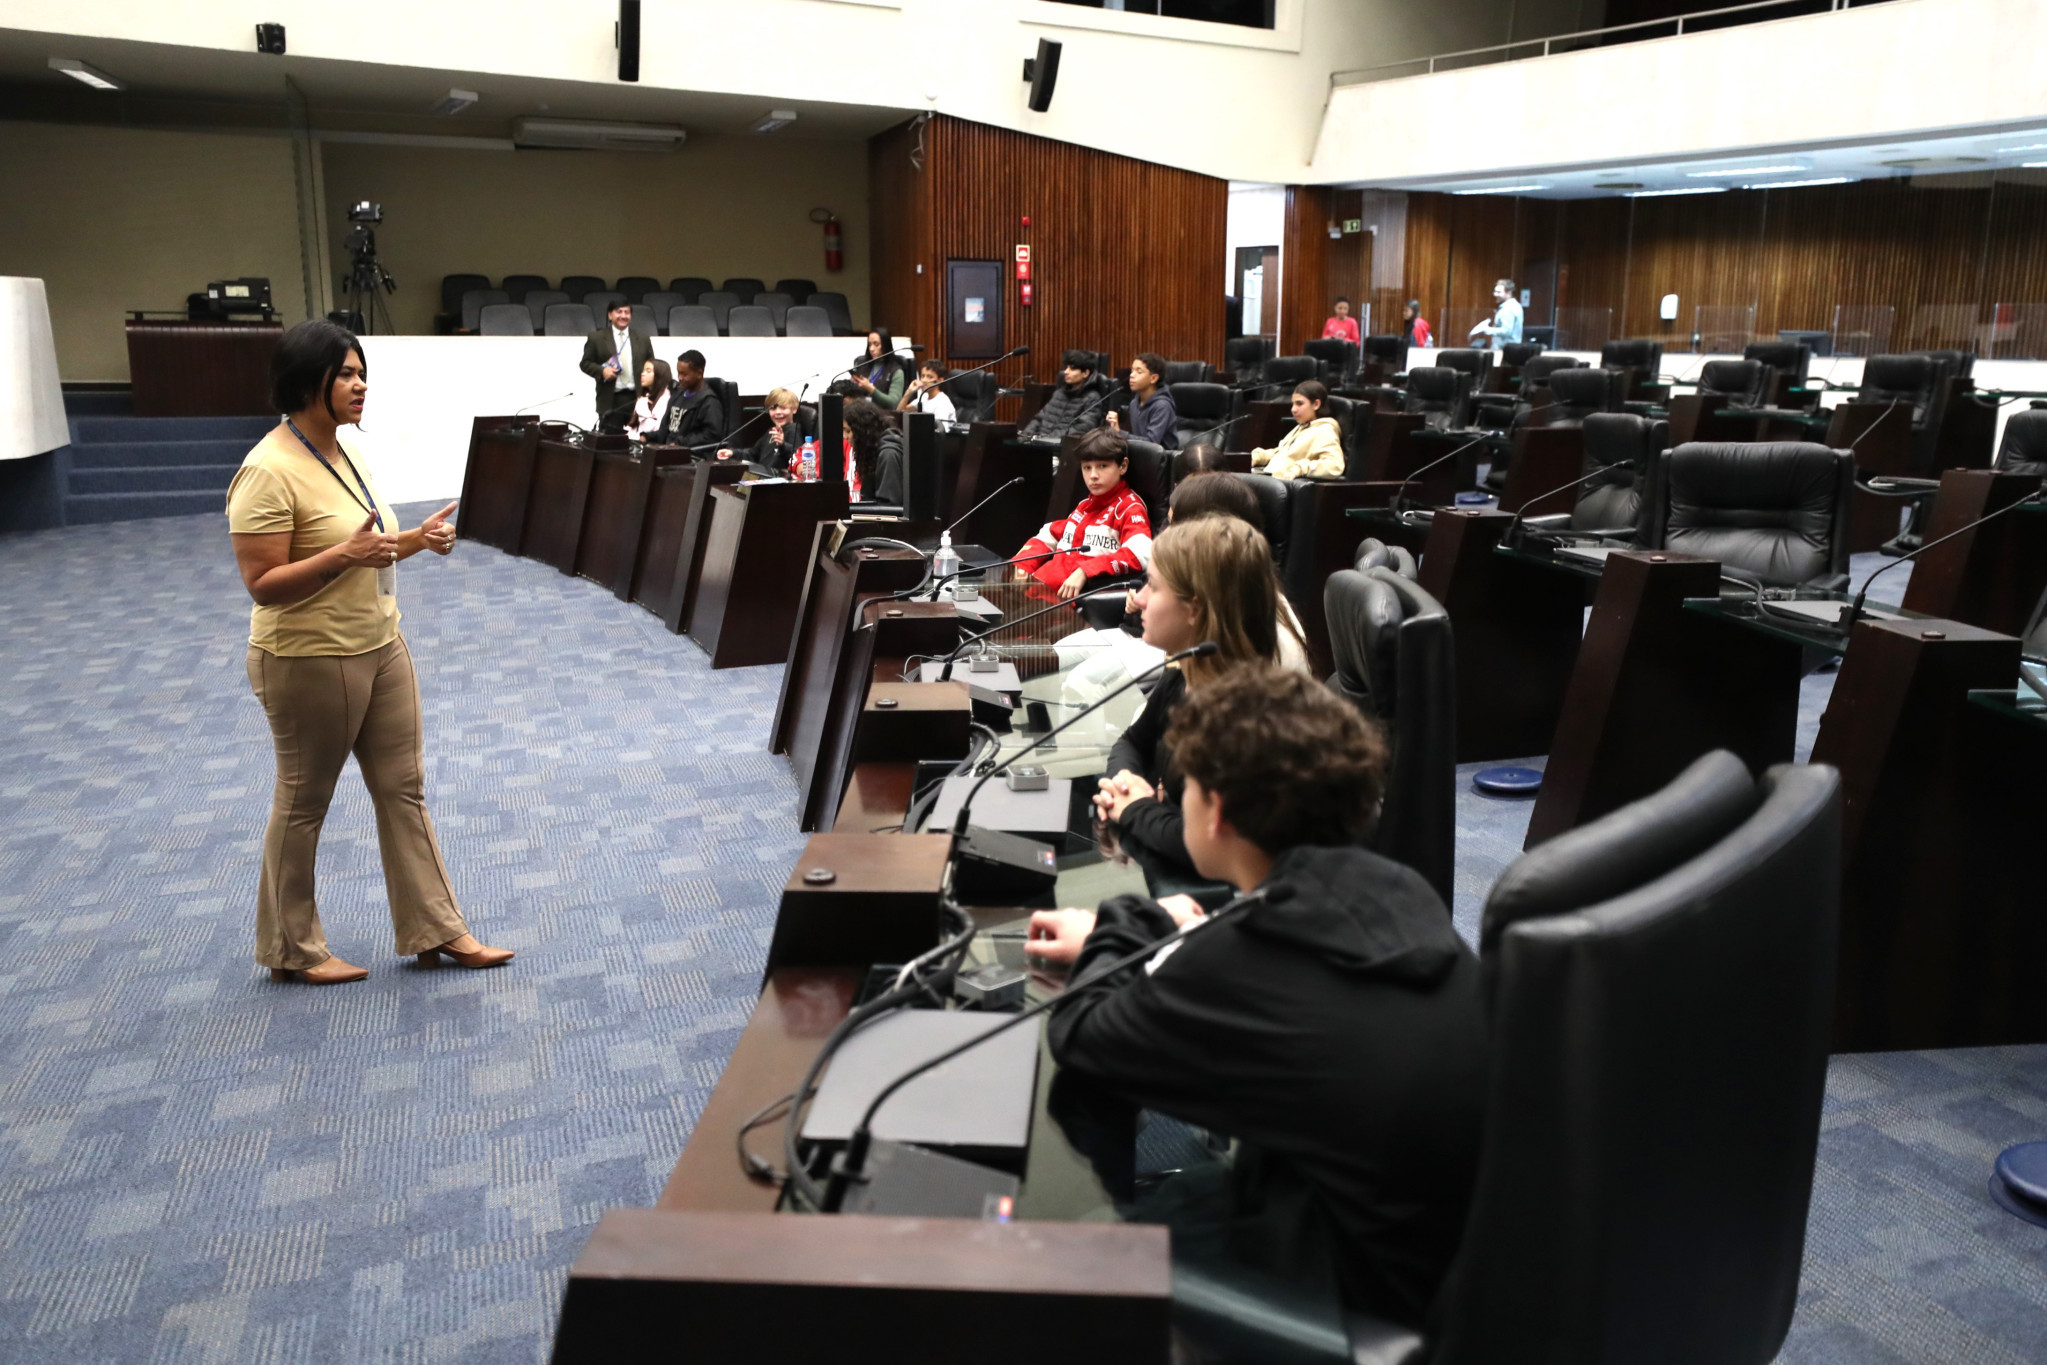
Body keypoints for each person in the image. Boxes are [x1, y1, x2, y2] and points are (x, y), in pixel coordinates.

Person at [1032, 665, 1487, 1328]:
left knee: (1071, 1256)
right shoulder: (1397, 887)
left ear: (1214, 809)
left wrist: (1125, 921)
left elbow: (1081, 1032)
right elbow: (1278, 962)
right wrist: (1202, 930)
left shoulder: (1243, 962)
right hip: (1444, 1263)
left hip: (1352, 1300)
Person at [226, 319, 512, 985]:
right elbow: (263, 586)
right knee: (304, 801)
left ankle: (436, 929)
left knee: (403, 789)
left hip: (380, 644)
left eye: (362, 373)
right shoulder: (267, 469)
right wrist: (345, 554)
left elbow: (365, 547)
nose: (360, 386)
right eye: (346, 374)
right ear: (306, 383)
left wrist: (415, 539)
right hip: (307, 658)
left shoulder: (344, 450)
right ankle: (291, 948)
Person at [1088, 515, 1292, 895]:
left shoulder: (1243, 719)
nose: (1140, 598)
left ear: (1194, 609)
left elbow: (1209, 845)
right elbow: (1133, 741)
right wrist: (1125, 785)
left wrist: (1134, 809)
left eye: (1153, 585)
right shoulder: (1187, 669)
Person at [1017, 427, 1153, 606]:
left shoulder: (1129, 508)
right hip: (1035, 597)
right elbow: (1050, 533)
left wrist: (1086, 570)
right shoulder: (1085, 505)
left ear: (1123, 466)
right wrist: (1021, 566)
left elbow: (1142, 554)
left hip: (1065, 611)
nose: (1093, 476)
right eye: (1086, 468)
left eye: (1102, 466)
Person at [580, 301, 652, 434]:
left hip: (637, 398)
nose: (623, 316)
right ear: (610, 315)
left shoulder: (642, 338)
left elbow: (651, 365)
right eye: (619, 312)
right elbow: (585, 363)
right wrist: (602, 371)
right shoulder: (596, 338)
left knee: (640, 441)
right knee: (610, 444)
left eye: (627, 312)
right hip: (610, 399)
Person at [1251, 380, 1346, 480]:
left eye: (1299, 404)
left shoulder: (1325, 431)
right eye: (1293, 404)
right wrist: (1258, 457)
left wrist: (1300, 468)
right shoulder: (1303, 426)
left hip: (1284, 486)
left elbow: (1334, 465)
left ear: (1316, 404)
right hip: (1271, 478)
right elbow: (1283, 455)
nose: (1293, 409)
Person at [1019, 350, 1108, 442]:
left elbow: (1080, 430)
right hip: (1039, 444)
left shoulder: (1092, 398)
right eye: (1066, 367)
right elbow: (1039, 419)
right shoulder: (1059, 393)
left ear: (1085, 373)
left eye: (1072, 369)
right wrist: (1026, 435)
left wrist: (1044, 439)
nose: (1066, 372)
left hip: (1063, 448)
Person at [1106, 352, 1178, 450]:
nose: (1131, 375)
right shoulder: (1134, 403)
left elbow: (1152, 443)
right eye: (1132, 371)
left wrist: (1120, 433)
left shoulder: (1162, 406)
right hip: (1141, 455)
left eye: (1139, 372)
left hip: (1163, 460)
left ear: (1153, 378)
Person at [657, 349, 725, 451]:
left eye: (684, 374)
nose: (679, 378)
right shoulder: (678, 394)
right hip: (667, 450)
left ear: (699, 373)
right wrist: (648, 436)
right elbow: (668, 428)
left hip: (690, 455)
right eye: (678, 373)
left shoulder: (709, 401)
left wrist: (680, 443)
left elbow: (711, 435)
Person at [720, 386, 804, 467]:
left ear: (794, 409)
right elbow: (753, 454)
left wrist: (783, 445)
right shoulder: (772, 431)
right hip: (763, 475)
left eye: (783, 408)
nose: (778, 412)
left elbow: (798, 458)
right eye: (773, 408)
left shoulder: (794, 430)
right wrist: (732, 452)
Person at [843, 397, 904, 504]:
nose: (845, 437)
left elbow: (888, 505)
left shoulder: (888, 454)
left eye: (848, 431)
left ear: (862, 431)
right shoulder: (872, 452)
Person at [848, 329, 907, 408]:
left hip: (882, 416)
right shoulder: (862, 364)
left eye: (876, 344)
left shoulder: (896, 371)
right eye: (869, 344)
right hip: (860, 412)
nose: (871, 349)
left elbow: (894, 403)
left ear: (886, 345)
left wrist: (871, 389)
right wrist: (852, 385)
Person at [897, 358, 957, 425]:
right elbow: (900, 413)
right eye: (923, 376)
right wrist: (909, 391)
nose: (924, 380)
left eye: (930, 377)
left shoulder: (942, 403)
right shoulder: (924, 397)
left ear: (940, 380)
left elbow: (941, 432)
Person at [1468, 278, 1524, 349]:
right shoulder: (1515, 305)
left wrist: (1486, 329)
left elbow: (1506, 331)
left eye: (1499, 292)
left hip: (1505, 349)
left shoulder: (1508, 309)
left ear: (1509, 293)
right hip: (1509, 349)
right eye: (1495, 291)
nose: (1495, 294)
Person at [629, 358, 672, 440]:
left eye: (648, 371)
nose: (642, 374)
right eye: (643, 371)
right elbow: (634, 427)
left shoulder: (667, 398)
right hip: (635, 443)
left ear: (659, 375)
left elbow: (657, 429)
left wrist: (644, 412)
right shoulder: (645, 397)